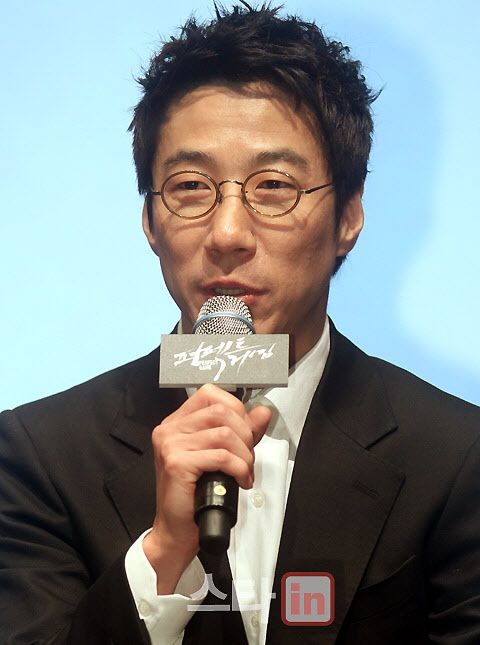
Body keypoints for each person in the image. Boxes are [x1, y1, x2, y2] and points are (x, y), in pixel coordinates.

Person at [1, 3, 479, 644]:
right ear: (149, 221)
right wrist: (161, 557)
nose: (227, 233)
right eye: (191, 187)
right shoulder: (38, 456)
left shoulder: (455, 457)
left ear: (347, 217)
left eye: (274, 186)